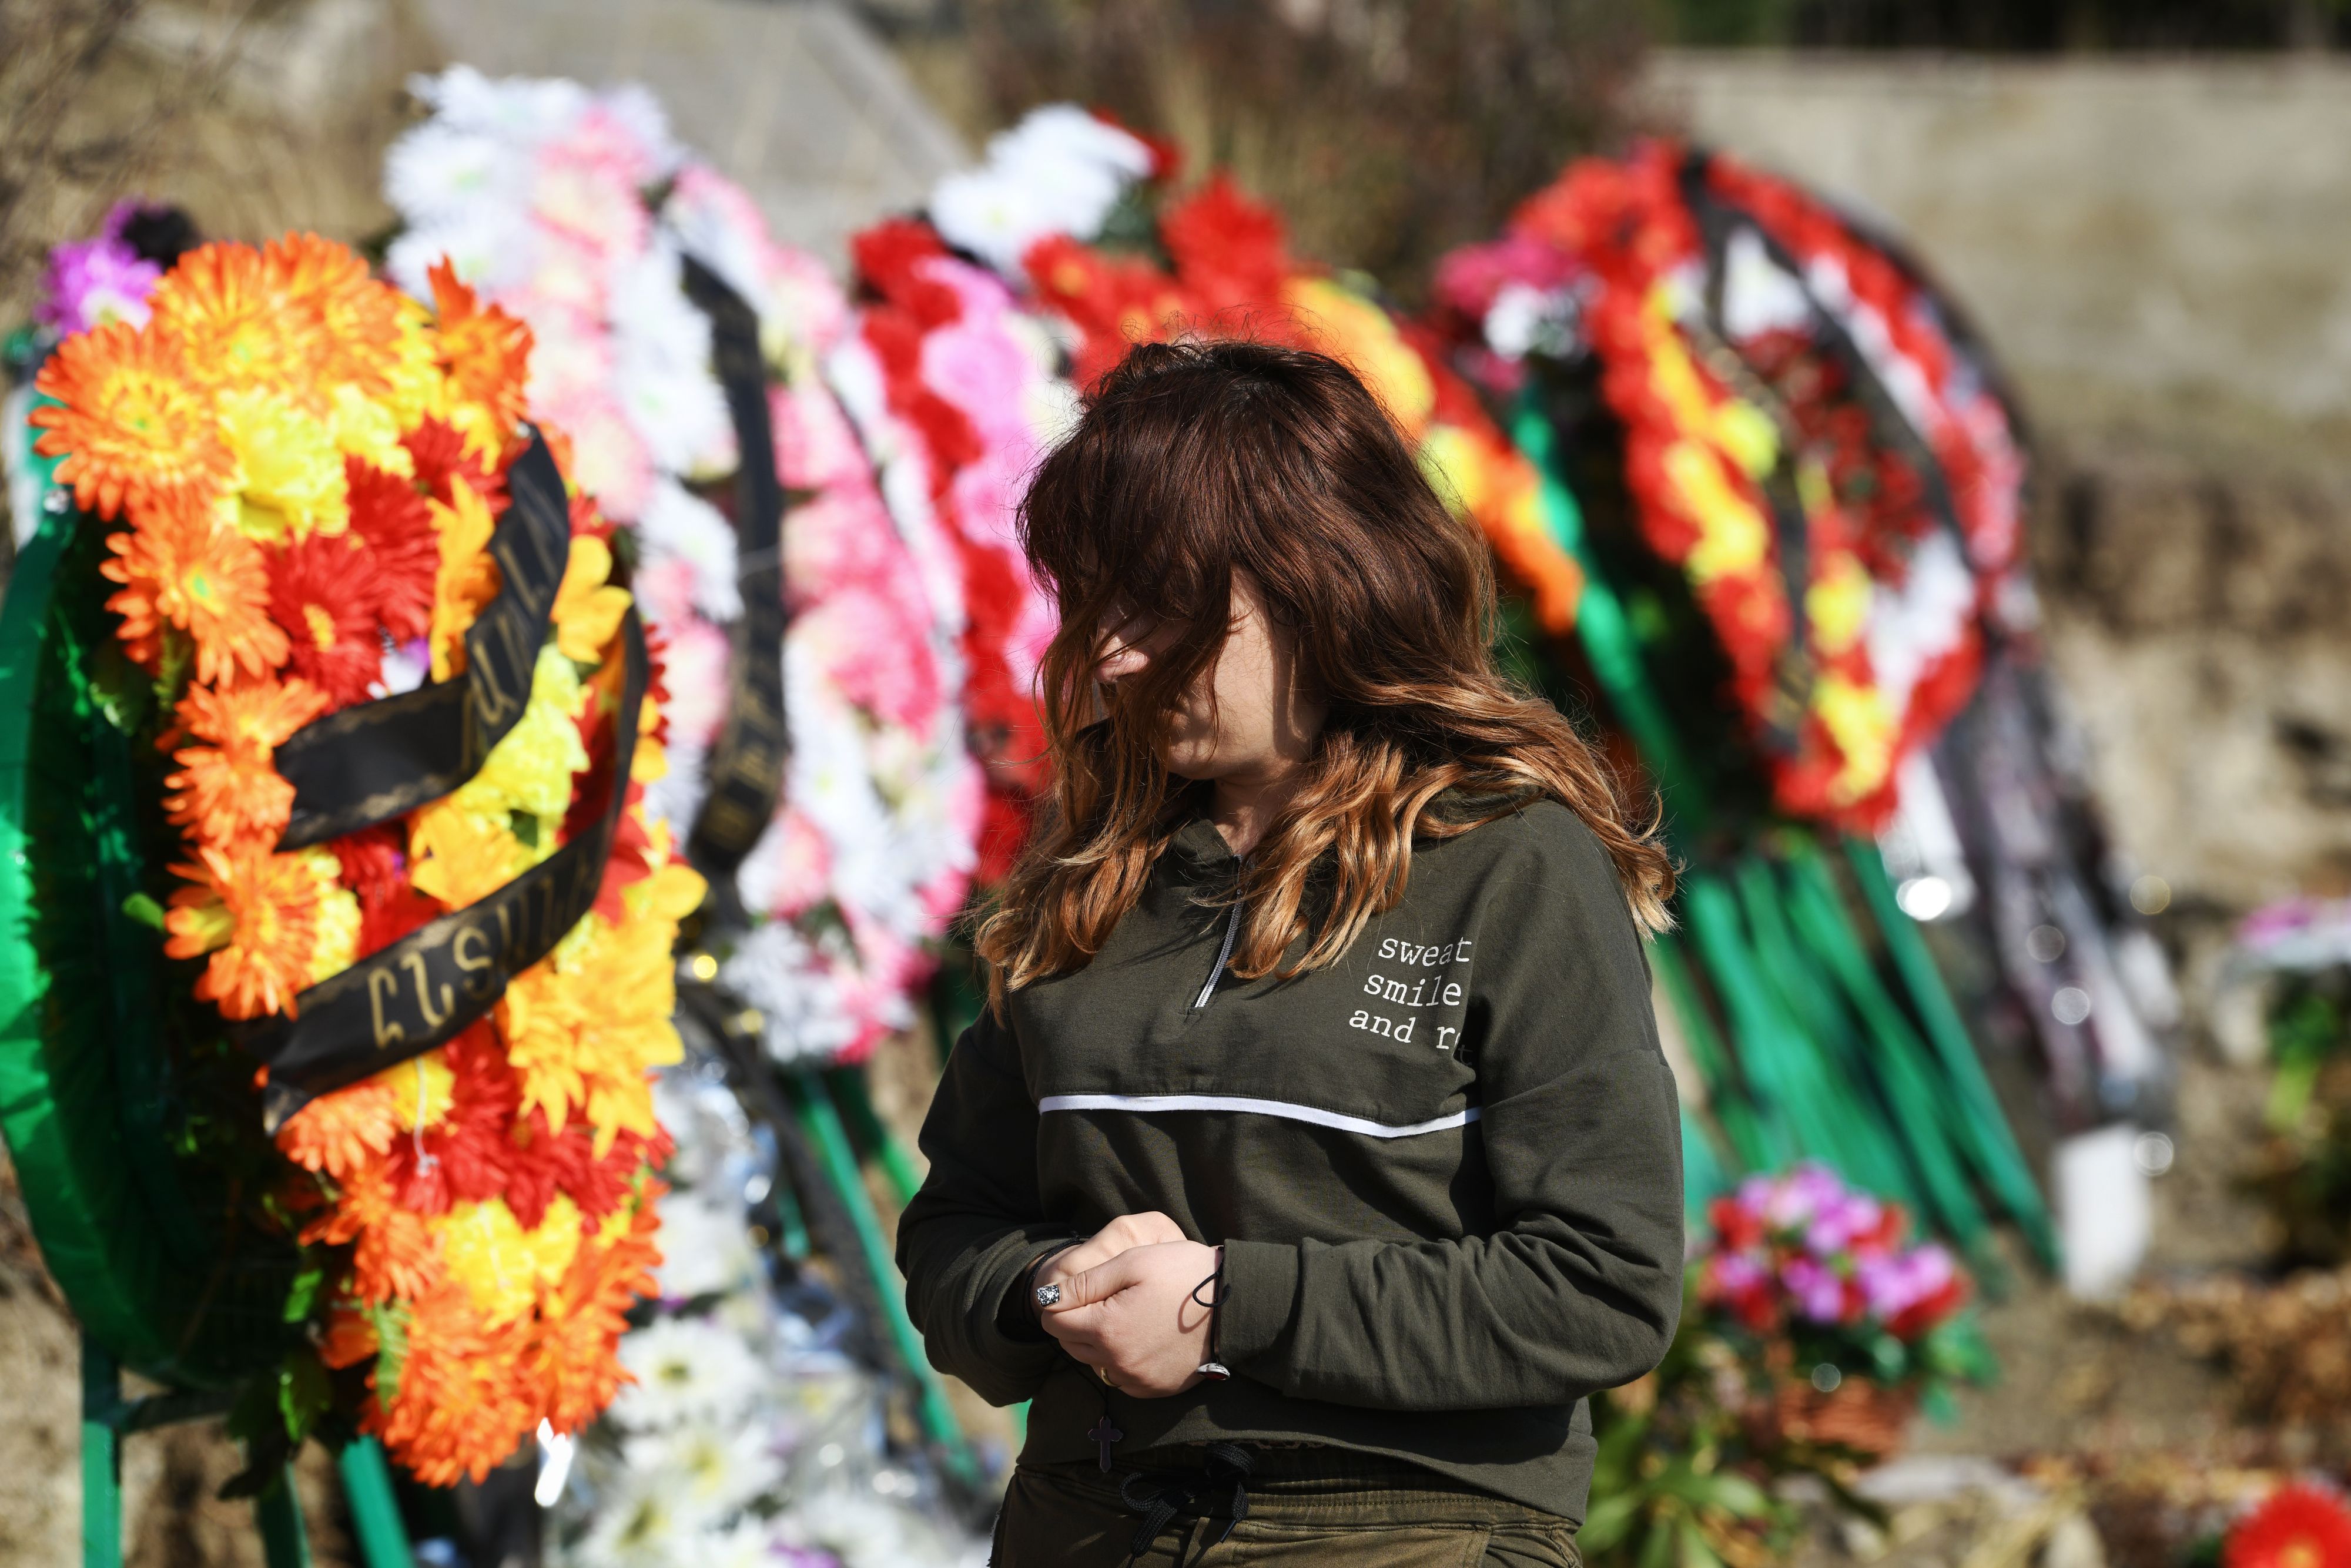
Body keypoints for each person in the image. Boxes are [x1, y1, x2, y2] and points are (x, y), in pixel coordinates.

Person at [897, 339, 1686, 1566]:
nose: (1109, 652)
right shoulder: (1086, 874)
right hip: (1084, 1520)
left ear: (1322, 583)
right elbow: (955, 1227)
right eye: (1094, 602)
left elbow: (1600, 1284)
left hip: (1404, 1530)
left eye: (1161, 599)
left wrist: (1224, 1304)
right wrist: (1048, 1291)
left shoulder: (1510, 860)